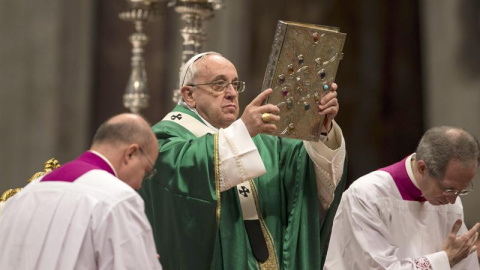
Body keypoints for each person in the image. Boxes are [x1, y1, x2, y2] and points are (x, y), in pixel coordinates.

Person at [139, 51, 347, 269]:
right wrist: (244, 130)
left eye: (235, 85)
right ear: (189, 95)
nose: (231, 93)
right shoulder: (164, 138)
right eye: (219, 85)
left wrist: (321, 129)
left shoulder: (260, 141)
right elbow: (181, 175)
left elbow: (305, 180)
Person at [0, 113, 163, 270]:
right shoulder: (118, 199)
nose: (140, 185)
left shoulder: (25, 194)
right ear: (131, 154)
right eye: (146, 171)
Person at [324, 126, 480, 269]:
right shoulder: (366, 196)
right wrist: (444, 260)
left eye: (461, 191)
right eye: (448, 189)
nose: (453, 200)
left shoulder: (449, 200)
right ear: (422, 168)